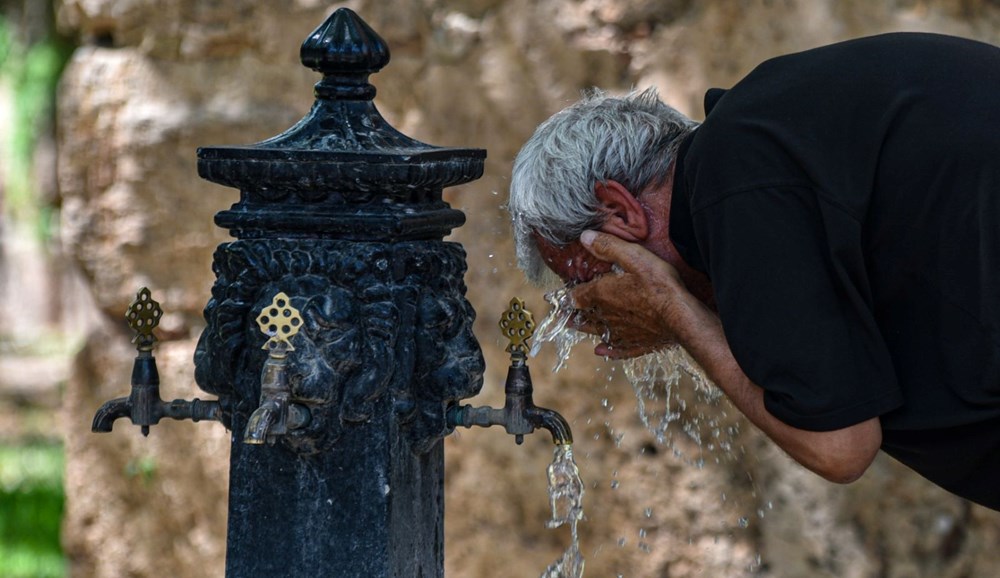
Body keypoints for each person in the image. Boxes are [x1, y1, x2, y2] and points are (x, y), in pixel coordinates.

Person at [507, 32, 1000, 511]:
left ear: (620, 212)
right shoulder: (770, 142)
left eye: (584, 278)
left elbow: (840, 447)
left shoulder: (736, 178)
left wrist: (671, 310)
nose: (598, 302)